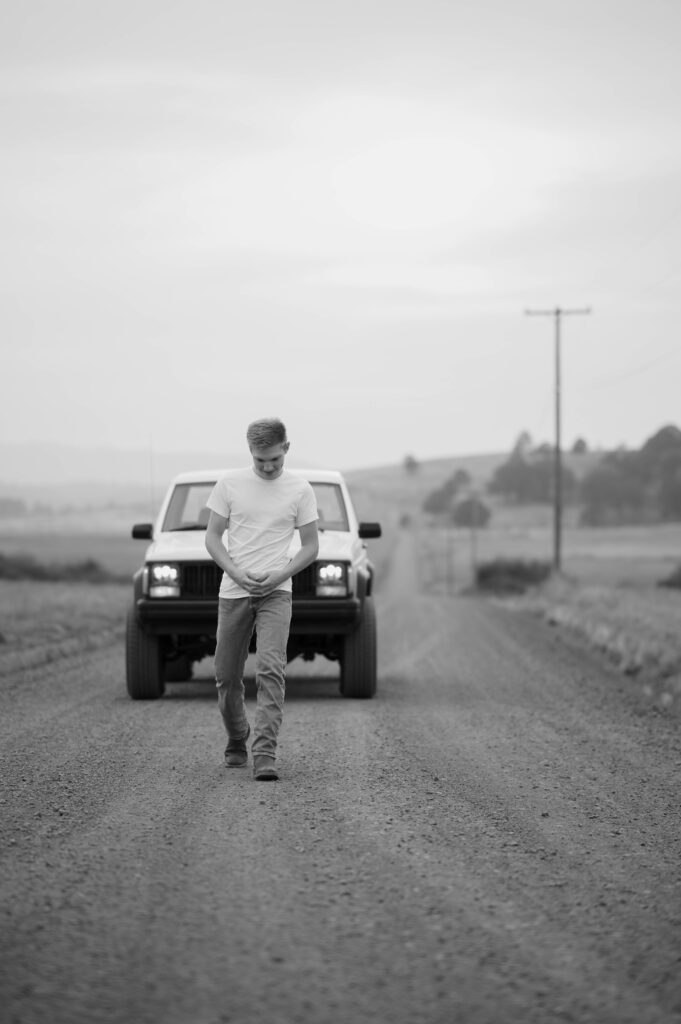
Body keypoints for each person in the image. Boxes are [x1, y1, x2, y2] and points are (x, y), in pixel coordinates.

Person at [204, 418, 319, 781]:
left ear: (286, 448)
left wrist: (279, 576)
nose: (268, 467)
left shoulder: (300, 490)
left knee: (270, 670)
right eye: (260, 460)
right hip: (234, 591)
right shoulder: (229, 484)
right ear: (250, 452)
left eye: (274, 459)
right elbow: (212, 538)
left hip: (276, 591)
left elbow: (312, 547)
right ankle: (237, 736)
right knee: (226, 677)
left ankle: (264, 754)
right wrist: (237, 574)